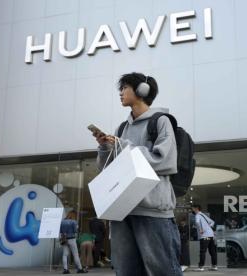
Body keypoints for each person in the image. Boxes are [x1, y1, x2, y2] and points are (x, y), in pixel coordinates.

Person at [95, 72, 182, 276]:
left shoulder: (161, 121)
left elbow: (164, 160)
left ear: (142, 91)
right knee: (126, 272)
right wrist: (106, 148)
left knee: (163, 271)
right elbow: (107, 169)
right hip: (122, 210)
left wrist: (122, 145)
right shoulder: (122, 128)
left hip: (152, 211)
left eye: (124, 87)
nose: (121, 92)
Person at [191, 204, 218, 272]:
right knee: (212, 251)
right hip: (211, 236)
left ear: (196, 208)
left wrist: (201, 230)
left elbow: (197, 222)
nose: (192, 210)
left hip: (205, 236)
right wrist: (208, 227)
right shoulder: (203, 215)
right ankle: (214, 266)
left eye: (193, 208)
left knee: (202, 251)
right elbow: (212, 222)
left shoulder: (197, 215)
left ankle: (201, 267)